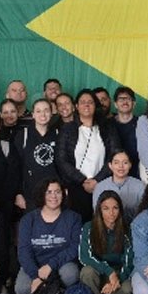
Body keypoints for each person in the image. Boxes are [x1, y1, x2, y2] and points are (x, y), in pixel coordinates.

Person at [55, 89, 121, 222]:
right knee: (78, 225)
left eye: (90, 102)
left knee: (104, 224)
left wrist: (97, 180)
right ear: (76, 106)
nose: (86, 105)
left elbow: (114, 156)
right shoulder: (67, 129)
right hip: (76, 187)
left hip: (103, 184)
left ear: (95, 106)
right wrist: (82, 180)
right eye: (83, 102)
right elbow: (61, 160)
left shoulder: (107, 128)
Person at [15, 178, 81, 294]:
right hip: (36, 265)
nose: (53, 196)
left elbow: (74, 248)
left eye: (57, 192)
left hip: (61, 265)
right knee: (22, 289)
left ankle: (52, 293)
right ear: (42, 195)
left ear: (63, 194)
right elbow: (23, 251)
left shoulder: (73, 218)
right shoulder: (28, 220)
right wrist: (35, 276)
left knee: (71, 275)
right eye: (49, 192)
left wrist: (51, 265)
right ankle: (50, 293)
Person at [79, 191, 135, 294]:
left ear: (120, 210)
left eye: (115, 208)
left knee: (129, 288)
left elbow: (129, 261)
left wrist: (116, 278)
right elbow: (85, 257)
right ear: (99, 210)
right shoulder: (89, 227)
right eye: (106, 208)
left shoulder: (127, 229)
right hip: (99, 271)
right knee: (87, 272)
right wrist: (109, 272)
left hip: (117, 274)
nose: (111, 213)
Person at [13, 98, 61, 213]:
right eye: (38, 111)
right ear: (33, 114)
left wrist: (64, 188)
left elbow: (63, 165)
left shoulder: (58, 134)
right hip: (30, 194)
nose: (42, 114)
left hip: (54, 194)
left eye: (46, 110)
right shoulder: (23, 135)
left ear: (51, 113)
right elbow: (15, 167)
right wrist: (18, 193)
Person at [93, 150, 147, 220]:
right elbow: (97, 214)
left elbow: (144, 213)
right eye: (116, 163)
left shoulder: (140, 186)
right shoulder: (100, 187)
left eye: (125, 162)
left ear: (130, 165)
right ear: (110, 165)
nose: (121, 166)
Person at [110, 86, 141, 177]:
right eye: (121, 99)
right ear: (115, 104)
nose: (124, 102)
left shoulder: (142, 123)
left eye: (128, 98)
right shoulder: (108, 124)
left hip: (138, 172)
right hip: (113, 174)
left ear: (134, 103)